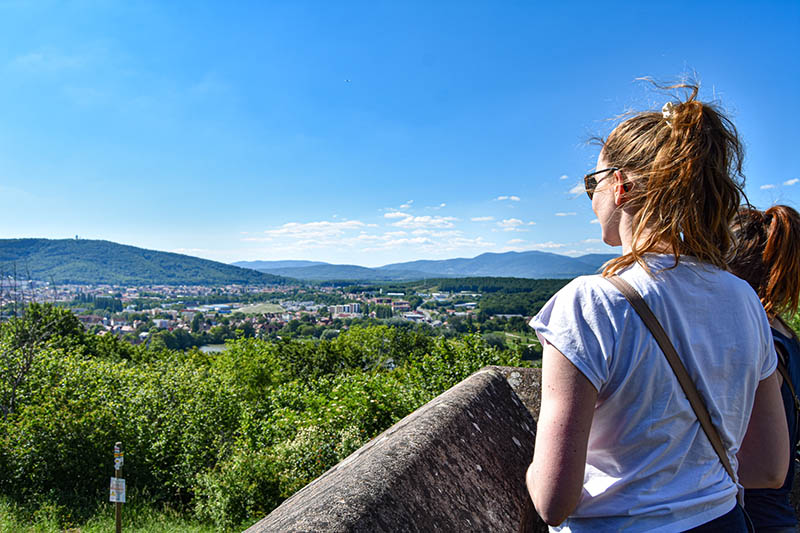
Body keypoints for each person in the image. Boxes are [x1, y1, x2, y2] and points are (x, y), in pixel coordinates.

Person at [525, 84, 789, 533]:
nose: (591, 198)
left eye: (594, 183)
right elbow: (768, 468)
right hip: (723, 522)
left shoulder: (591, 302)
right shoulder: (743, 298)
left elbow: (554, 500)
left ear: (621, 186)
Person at [729, 204, 800, 533]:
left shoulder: (761, 343)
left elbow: (766, 470)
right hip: (776, 517)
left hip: (754, 519)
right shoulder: (784, 334)